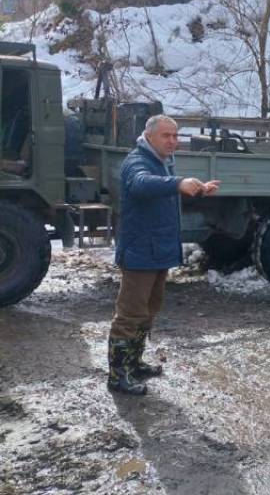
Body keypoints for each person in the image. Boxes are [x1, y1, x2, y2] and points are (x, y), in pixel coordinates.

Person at [108, 115, 220, 395]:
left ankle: (134, 363)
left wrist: (198, 189)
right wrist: (177, 183)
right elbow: (141, 184)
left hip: (157, 251)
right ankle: (118, 376)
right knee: (130, 314)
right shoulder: (137, 161)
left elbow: (162, 188)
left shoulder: (161, 160)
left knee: (148, 311)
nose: (172, 141)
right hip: (140, 252)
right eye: (166, 136)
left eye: (175, 135)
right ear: (149, 136)